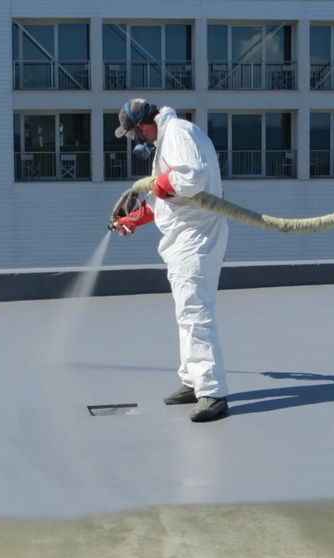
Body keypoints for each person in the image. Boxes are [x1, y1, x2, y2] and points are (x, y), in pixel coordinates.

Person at [113, 98, 230, 422]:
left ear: (143, 125)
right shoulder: (167, 140)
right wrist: (133, 219)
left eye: (133, 134)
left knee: (195, 313)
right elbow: (165, 199)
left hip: (196, 237)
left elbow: (191, 178)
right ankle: (193, 381)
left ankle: (212, 392)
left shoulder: (178, 133)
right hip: (183, 237)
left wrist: (157, 183)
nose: (136, 140)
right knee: (185, 312)